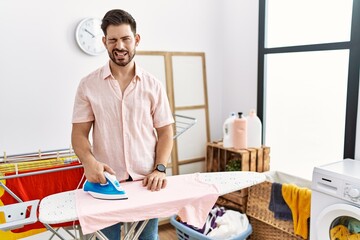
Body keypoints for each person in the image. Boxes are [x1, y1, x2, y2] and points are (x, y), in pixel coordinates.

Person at [71, 9, 174, 240]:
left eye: (126, 39)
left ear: (136, 40)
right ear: (104, 42)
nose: (120, 46)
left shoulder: (153, 85)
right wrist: (89, 162)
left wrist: (160, 167)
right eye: (113, 40)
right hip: (105, 184)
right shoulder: (88, 85)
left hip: (146, 183)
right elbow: (79, 134)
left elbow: (166, 132)